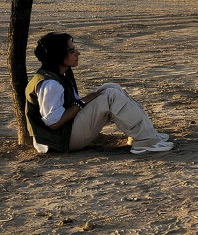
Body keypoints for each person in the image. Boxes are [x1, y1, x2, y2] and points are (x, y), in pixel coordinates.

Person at [25, 32, 173, 154]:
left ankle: (146, 133)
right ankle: (146, 142)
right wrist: (82, 102)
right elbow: (53, 123)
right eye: (71, 51)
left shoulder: (59, 74)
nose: (78, 53)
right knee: (110, 96)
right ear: (58, 58)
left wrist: (86, 102)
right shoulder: (50, 84)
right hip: (61, 140)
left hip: (66, 133)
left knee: (110, 87)